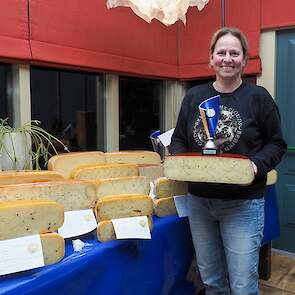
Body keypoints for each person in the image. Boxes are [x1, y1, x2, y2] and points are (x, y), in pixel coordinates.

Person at [170, 27, 287, 295]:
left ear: (244, 60)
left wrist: (255, 165)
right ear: (211, 58)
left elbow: (277, 143)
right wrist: (177, 160)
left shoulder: (259, 98)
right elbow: (179, 139)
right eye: (221, 52)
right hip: (199, 203)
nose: (227, 58)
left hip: (243, 205)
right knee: (212, 283)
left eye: (234, 53)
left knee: (244, 287)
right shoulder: (193, 97)